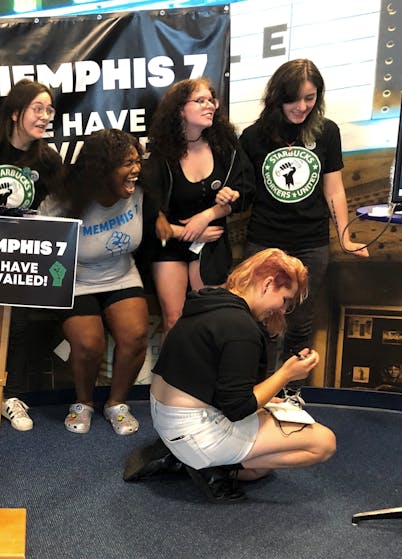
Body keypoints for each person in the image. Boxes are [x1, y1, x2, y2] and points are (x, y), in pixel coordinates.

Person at [147, 248, 336, 501]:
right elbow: (237, 407)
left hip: (166, 417)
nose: (282, 310)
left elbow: (214, 379)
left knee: (263, 467)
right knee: (324, 444)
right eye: (285, 300)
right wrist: (286, 374)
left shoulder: (210, 302)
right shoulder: (240, 327)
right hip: (194, 430)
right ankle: (204, 464)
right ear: (268, 284)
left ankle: (195, 459)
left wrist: (266, 398)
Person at [239, 59, 369, 392]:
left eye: (310, 98)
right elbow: (243, 189)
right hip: (265, 240)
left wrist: (346, 237)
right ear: (277, 97)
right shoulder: (253, 136)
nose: (302, 107)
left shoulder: (327, 131)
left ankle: (292, 394)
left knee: (300, 322)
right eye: (294, 99)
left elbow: (334, 188)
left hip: (311, 242)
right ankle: (259, 393)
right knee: (263, 321)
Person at [0, 78, 65, 432]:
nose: (44, 116)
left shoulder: (48, 160)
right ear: (14, 112)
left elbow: (69, 202)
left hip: (22, 255)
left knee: (20, 326)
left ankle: (12, 397)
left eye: (49, 110)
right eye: (37, 108)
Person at [39, 129, 148, 435]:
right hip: (77, 280)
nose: (136, 169)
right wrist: (56, 287)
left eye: (137, 160)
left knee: (136, 336)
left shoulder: (138, 191)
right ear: (103, 169)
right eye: (127, 163)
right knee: (88, 344)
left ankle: (116, 403)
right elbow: (41, 248)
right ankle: (83, 402)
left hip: (121, 273)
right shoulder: (63, 201)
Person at [143, 77, 254, 336]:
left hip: (212, 241)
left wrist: (211, 213)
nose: (209, 106)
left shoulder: (226, 147)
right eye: (200, 100)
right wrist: (188, 232)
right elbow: (149, 214)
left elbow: (247, 191)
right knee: (174, 320)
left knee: (211, 318)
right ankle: (172, 376)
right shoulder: (162, 154)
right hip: (170, 242)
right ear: (180, 109)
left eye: (211, 100)